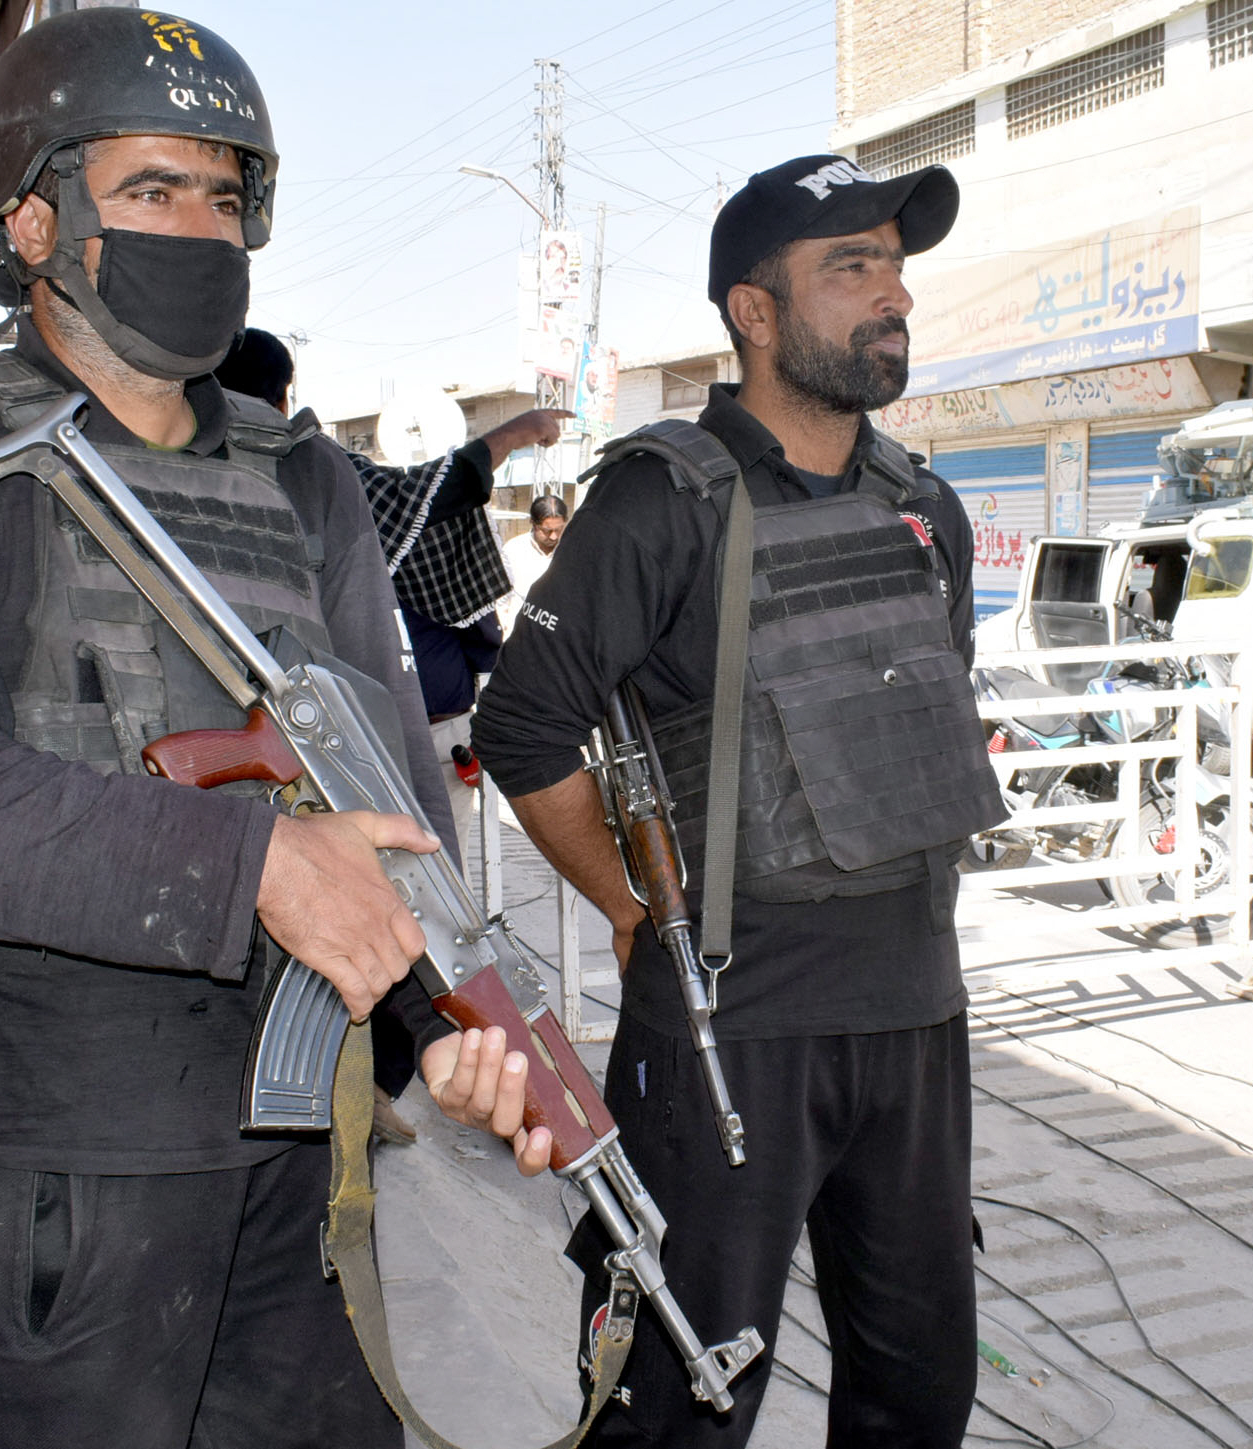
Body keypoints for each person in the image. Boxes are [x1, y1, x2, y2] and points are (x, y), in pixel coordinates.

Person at [0, 13, 543, 1448]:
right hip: (47, 1152)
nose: (199, 227)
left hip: (297, 1153)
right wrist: (254, 863)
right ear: (33, 217)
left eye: (225, 192)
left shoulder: (302, 473)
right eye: (150, 190)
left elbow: (387, 782)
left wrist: (441, 1011)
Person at [472, 153, 1005, 1447]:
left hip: (915, 1012)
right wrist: (630, 905)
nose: (893, 298)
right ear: (753, 312)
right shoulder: (665, 499)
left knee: (920, 1390)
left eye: (893, 265)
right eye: (851, 268)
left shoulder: (924, 506)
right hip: (730, 1024)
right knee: (680, 1398)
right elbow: (524, 725)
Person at [216, 327, 565, 1144]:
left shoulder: (314, 480)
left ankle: (364, 1088)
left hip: (346, 762)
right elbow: (426, 495)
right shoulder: (301, 476)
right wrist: (513, 434)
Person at [497, 493, 568, 635]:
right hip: (519, 638)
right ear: (534, 524)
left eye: (558, 530)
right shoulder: (513, 550)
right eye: (547, 531)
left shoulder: (572, 552)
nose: (553, 536)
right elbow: (500, 601)